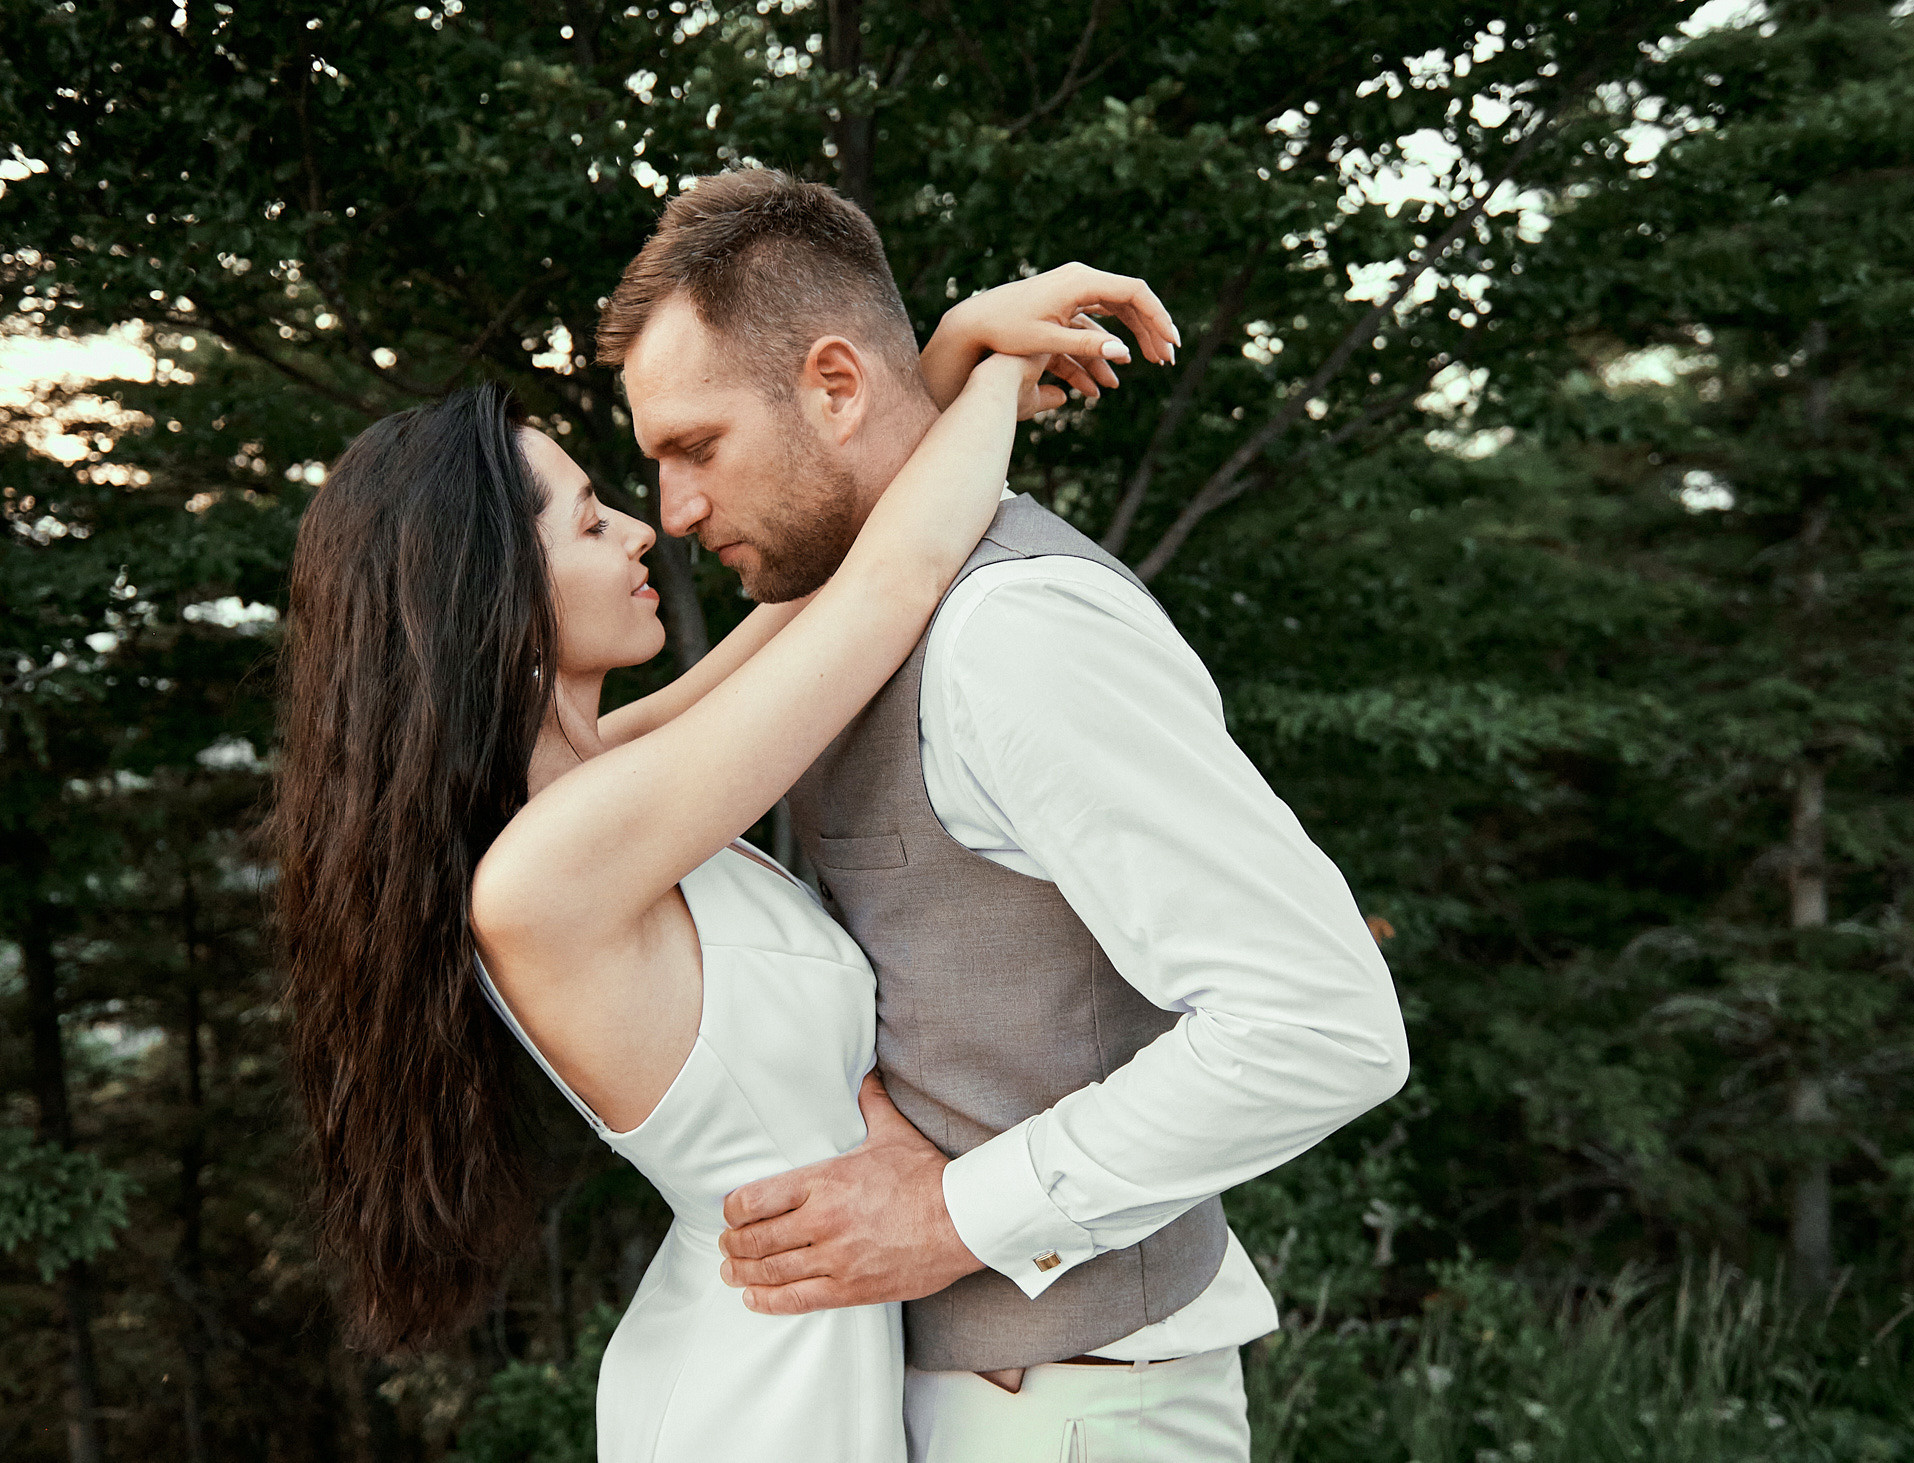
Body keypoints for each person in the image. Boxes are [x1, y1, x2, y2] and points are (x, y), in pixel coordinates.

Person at [271, 254, 1157, 1458]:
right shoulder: (548, 868)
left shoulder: (595, 785)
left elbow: (809, 602)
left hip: (804, 1348)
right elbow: (887, 585)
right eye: (590, 520)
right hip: (753, 1397)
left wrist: (929, 369)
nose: (646, 525)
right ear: (494, 592)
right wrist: (994, 373)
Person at [598, 168, 1409, 1462]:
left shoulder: (1015, 630)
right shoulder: (852, 617)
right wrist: (954, 363)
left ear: (835, 386)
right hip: (944, 1405)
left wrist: (954, 1215)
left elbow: (1326, 1019)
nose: (676, 513)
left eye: (695, 446)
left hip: (1081, 1412)